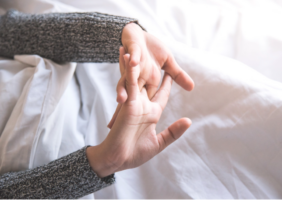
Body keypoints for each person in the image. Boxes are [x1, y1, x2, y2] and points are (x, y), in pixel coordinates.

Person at [0, 10, 194, 198]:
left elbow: (12, 33)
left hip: (82, 80)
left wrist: (122, 34)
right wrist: (102, 162)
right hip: (80, 168)